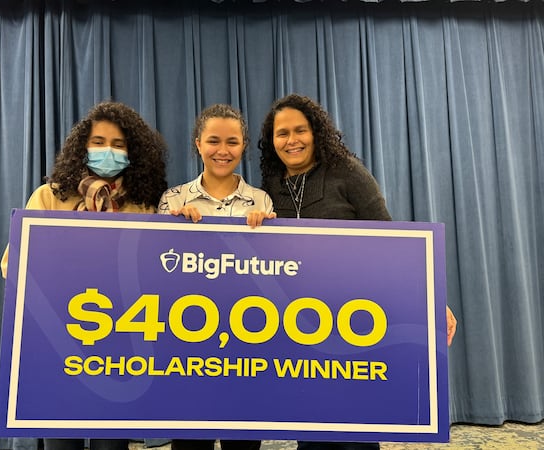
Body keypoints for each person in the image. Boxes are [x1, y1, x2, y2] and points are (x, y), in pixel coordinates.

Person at [258, 93, 458, 450]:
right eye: (282, 133)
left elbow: (391, 240)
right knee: (313, 432)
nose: (292, 140)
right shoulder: (268, 188)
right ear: (271, 141)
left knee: (357, 432)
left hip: (356, 325)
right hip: (302, 329)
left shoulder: (347, 172)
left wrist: (429, 299)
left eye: (300, 130)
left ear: (316, 132)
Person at [0, 101, 168, 450]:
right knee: (62, 441)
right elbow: (13, 265)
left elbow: (157, 269)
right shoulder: (50, 196)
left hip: (121, 347)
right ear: (82, 147)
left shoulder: (144, 204)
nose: (108, 150)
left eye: (119, 145)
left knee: (112, 445)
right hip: (59, 342)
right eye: (99, 141)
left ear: (132, 152)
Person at [158, 103, 275, 450]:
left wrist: (270, 231)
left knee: (243, 442)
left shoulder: (262, 200)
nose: (222, 151)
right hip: (188, 342)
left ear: (243, 146)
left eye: (232, 142)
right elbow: (158, 271)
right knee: (191, 441)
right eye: (213, 141)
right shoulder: (173, 199)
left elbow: (279, 273)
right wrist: (172, 228)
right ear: (197, 144)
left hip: (247, 340)